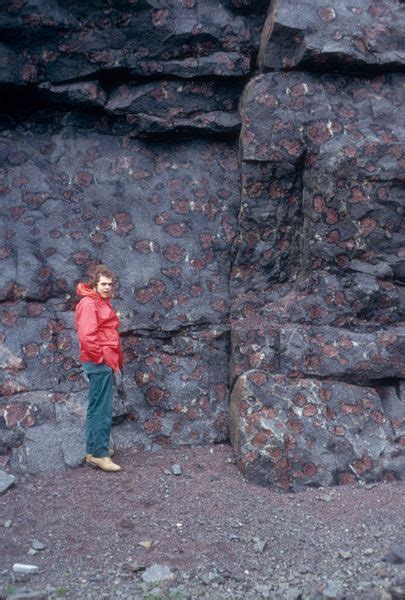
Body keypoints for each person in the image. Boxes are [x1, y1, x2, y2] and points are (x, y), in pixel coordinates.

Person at [75, 264, 123, 472]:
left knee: (96, 407)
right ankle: (100, 454)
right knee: (102, 409)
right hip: (98, 363)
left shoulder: (99, 302)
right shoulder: (89, 304)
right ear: (94, 284)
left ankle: (93, 451)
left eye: (109, 284)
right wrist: (101, 358)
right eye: (103, 284)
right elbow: (86, 336)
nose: (106, 288)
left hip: (101, 361)